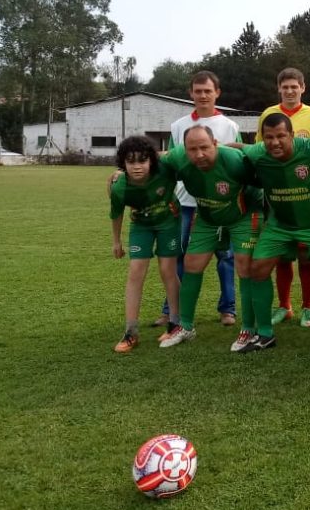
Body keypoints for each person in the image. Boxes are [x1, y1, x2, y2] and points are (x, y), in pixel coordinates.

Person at [241, 114, 310, 354]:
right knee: (258, 268)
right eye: (269, 137)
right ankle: (265, 333)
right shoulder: (258, 153)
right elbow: (238, 148)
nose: (275, 142)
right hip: (279, 225)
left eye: (281, 136)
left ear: (292, 135)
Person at [158, 125, 264, 352]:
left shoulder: (234, 160)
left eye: (204, 147)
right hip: (207, 217)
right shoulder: (178, 158)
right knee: (191, 264)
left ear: (215, 143)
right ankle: (185, 326)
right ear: (184, 149)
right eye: (192, 149)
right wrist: (121, 172)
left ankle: (248, 328)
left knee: (245, 267)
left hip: (243, 215)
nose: (199, 154)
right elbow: (152, 160)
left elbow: (261, 181)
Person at [153, 70, 240, 330]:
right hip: (185, 202)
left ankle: (228, 309)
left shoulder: (229, 126)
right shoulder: (178, 125)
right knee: (178, 255)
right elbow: (170, 164)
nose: (203, 96)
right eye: (198, 91)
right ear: (191, 93)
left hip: (221, 204)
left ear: (217, 93)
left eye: (207, 91)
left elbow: (238, 162)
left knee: (226, 256)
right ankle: (171, 310)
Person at [256, 67, 310, 328]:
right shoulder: (268, 114)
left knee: (306, 256)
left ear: (303, 88)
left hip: (306, 197)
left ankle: (308, 307)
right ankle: (285, 306)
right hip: (278, 196)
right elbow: (260, 151)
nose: (289, 91)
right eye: (285, 86)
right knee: (283, 256)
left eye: (294, 86)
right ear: (279, 88)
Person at [109, 136, 182, 353]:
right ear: (123, 163)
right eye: (131, 161)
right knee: (135, 272)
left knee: (168, 270)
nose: (137, 166)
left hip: (169, 222)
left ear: (151, 160)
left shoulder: (165, 170)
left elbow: (179, 156)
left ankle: (175, 324)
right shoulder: (120, 187)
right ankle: (131, 332)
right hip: (141, 225)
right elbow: (116, 213)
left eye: (142, 160)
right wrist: (116, 241)